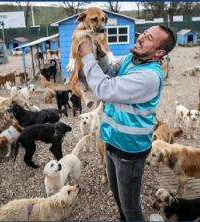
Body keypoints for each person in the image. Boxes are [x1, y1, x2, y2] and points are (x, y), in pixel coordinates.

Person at [77, 24, 176, 221]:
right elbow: (110, 68)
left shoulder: (149, 76)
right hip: (111, 141)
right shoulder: (133, 59)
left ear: (159, 52)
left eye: (149, 39)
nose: (141, 38)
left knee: (130, 208)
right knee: (117, 194)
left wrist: (88, 57)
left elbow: (105, 88)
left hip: (129, 152)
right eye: (144, 33)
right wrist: (99, 49)